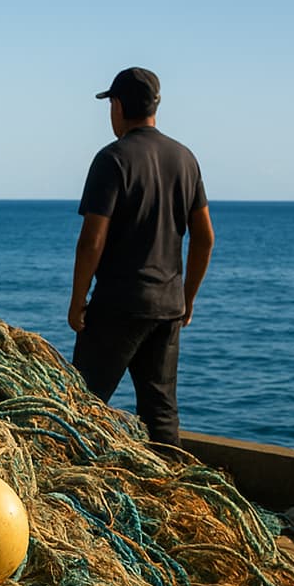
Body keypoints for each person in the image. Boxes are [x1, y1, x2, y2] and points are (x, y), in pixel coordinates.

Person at [68, 67, 215, 448]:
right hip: (167, 306)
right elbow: (205, 238)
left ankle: (69, 487)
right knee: (161, 411)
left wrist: (77, 301)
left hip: (119, 304)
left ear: (116, 105)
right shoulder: (185, 159)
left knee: (79, 405)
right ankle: (172, 492)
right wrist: (188, 297)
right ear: (155, 106)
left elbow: (91, 241)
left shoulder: (112, 160)